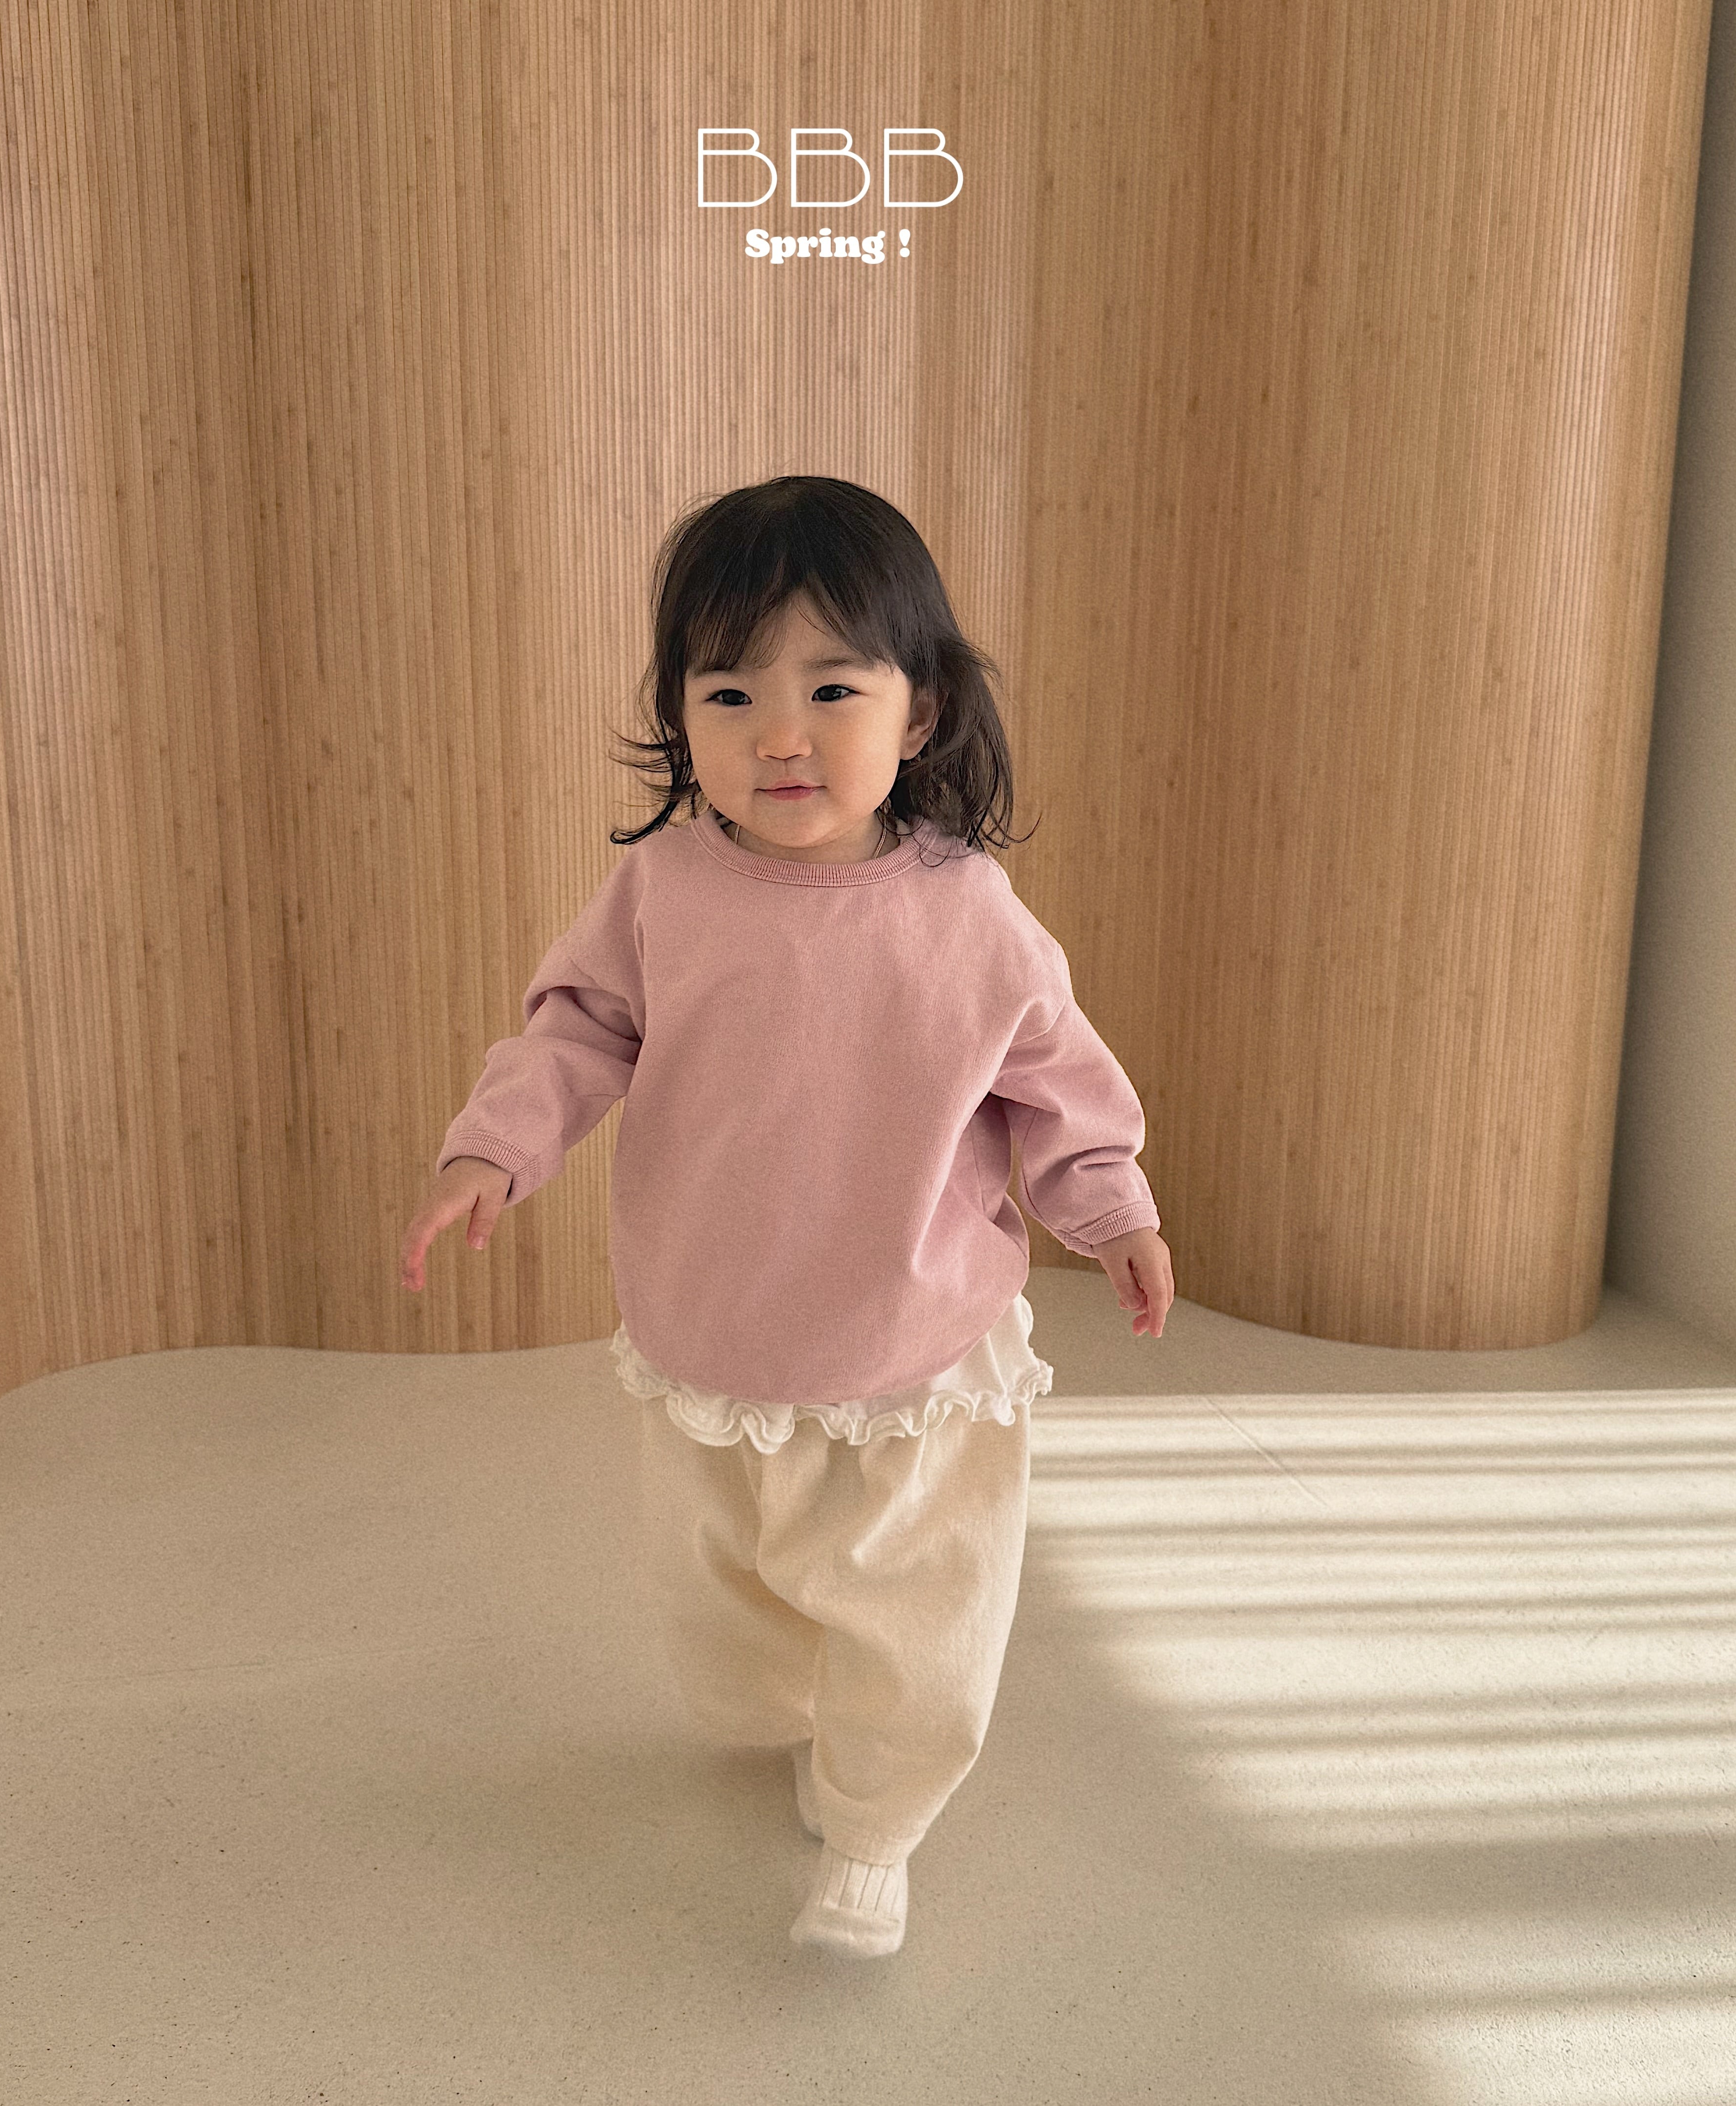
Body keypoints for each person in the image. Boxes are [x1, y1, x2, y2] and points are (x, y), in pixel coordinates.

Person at [399, 474, 1174, 1960]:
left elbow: (1058, 1083)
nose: (780, 735)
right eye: (729, 692)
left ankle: (878, 1824)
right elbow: (575, 1033)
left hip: (911, 1343)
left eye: (831, 688)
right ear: (678, 717)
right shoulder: (664, 890)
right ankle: (809, 1725)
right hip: (711, 1331)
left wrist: (1110, 1206)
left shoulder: (966, 914)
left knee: (911, 1610)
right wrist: (492, 1151)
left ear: (920, 711)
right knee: (732, 1605)